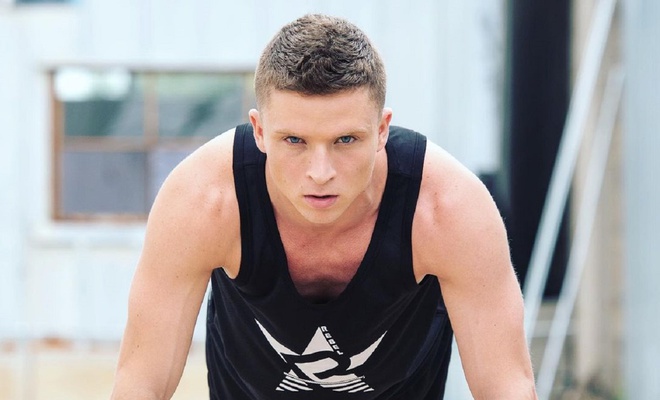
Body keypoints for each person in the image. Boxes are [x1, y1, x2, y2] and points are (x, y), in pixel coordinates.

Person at [110, 13, 537, 400]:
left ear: (382, 130)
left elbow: (506, 386)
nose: (320, 172)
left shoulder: (446, 209)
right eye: (294, 140)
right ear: (259, 131)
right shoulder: (205, 201)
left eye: (345, 140)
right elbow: (142, 382)